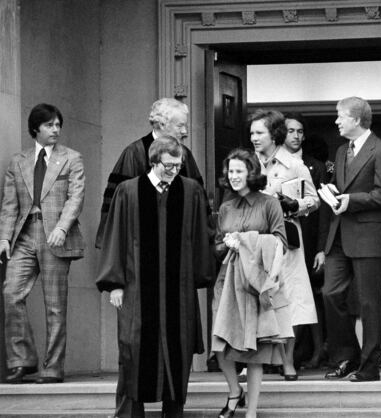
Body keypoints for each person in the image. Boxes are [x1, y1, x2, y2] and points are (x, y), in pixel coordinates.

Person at [96, 137, 214, 417]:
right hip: (136, 290)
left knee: (178, 351)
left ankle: (173, 413)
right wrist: (115, 284)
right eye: (169, 165)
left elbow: (200, 237)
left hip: (178, 291)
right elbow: (116, 237)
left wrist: (199, 276)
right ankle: (129, 414)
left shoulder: (191, 191)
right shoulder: (129, 191)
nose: (174, 171)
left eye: (178, 165)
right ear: (153, 161)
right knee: (133, 350)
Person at [0, 103, 85, 384]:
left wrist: (62, 227)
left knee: (55, 305)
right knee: (11, 293)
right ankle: (23, 360)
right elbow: (9, 204)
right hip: (24, 234)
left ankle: (52, 367)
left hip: (55, 236)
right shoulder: (18, 161)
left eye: (58, 125)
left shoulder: (71, 158)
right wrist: (4, 237)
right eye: (50, 125)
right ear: (35, 128)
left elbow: (76, 198)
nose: (56, 130)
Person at [321, 96, 381, 382]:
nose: (336, 121)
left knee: (368, 303)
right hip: (339, 233)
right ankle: (346, 356)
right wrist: (333, 192)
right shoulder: (341, 151)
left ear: (356, 119)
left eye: (340, 116)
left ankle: (369, 366)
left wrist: (350, 199)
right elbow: (344, 187)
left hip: (367, 233)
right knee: (330, 293)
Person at [212, 148, 293, 418]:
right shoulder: (225, 207)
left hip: (257, 283)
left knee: (255, 350)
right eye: (230, 172)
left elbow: (281, 242)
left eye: (239, 171)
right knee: (221, 343)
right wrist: (227, 243)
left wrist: (248, 240)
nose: (233, 176)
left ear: (251, 173)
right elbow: (215, 247)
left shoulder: (269, 204)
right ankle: (235, 392)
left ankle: (252, 412)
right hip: (228, 283)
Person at [250, 109, 319, 380]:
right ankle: (255, 361)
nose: (254, 138)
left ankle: (287, 360)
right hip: (254, 240)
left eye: (259, 133)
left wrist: (295, 204)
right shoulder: (246, 163)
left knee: (290, 300)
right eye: (252, 133)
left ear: (273, 134)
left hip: (287, 239)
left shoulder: (294, 165)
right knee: (255, 300)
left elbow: (314, 200)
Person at [95, 97, 205, 248]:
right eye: (180, 126)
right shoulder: (134, 153)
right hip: (142, 241)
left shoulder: (185, 154)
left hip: (180, 240)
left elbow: (198, 199)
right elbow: (118, 204)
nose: (185, 132)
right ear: (161, 124)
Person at [283, 113, 328, 369]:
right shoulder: (271, 164)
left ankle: (310, 352)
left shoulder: (315, 166)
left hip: (308, 242)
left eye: (300, 131)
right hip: (283, 243)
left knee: (308, 300)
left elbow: (323, 212)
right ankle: (284, 356)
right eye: (291, 131)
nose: (296, 136)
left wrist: (321, 248)